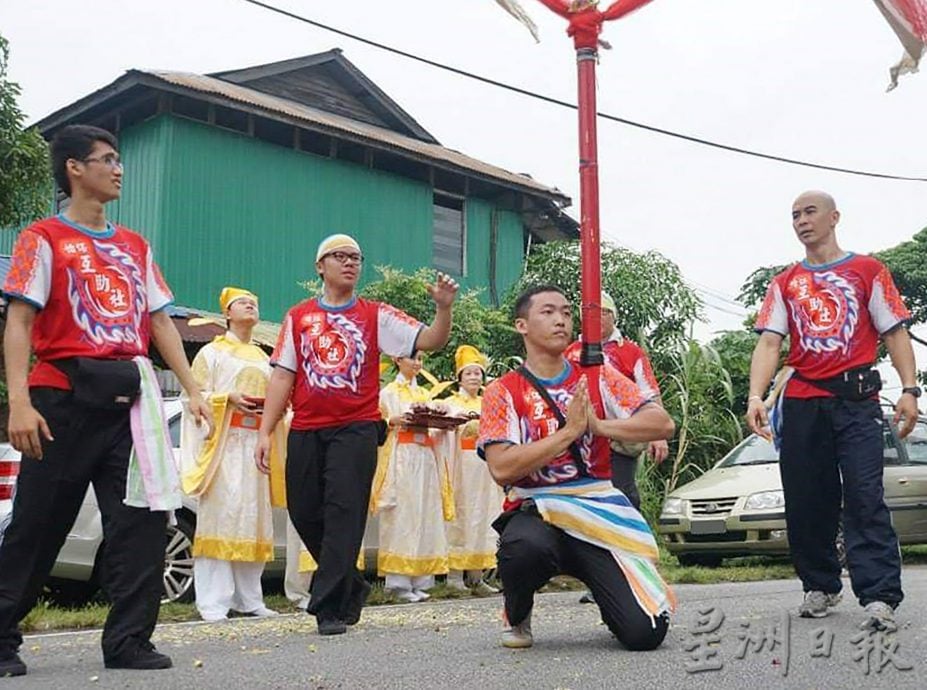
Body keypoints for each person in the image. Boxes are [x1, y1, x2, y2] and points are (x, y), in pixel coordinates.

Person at [0, 125, 212, 677]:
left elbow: (159, 320)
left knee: (140, 520)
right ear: (74, 168)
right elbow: (19, 320)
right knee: (39, 520)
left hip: (131, 398)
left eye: (118, 160)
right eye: (107, 160)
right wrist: (19, 403)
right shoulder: (43, 238)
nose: (118, 169)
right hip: (62, 395)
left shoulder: (134, 245)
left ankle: (128, 641)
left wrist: (191, 389)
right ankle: (0, 636)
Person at [254, 233, 457, 635]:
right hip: (307, 428)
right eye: (340, 256)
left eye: (356, 257)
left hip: (357, 428)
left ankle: (328, 607)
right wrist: (265, 430)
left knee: (344, 513)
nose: (350, 263)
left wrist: (443, 309)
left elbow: (431, 340)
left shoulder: (375, 314)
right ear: (320, 266)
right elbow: (282, 375)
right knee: (304, 511)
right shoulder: (299, 317)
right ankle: (350, 585)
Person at [746, 190, 919, 633]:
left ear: (834, 217)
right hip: (803, 401)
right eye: (794, 215)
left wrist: (910, 390)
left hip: (857, 401)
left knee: (864, 495)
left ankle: (879, 595)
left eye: (810, 212)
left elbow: (895, 333)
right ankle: (820, 584)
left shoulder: (866, 270)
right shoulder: (785, 282)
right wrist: (755, 396)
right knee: (807, 496)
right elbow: (769, 341)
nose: (802, 221)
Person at [478, 285, 675, 650]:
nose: (561, 320)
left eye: (567, 313)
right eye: (549, 312)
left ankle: (610, 597)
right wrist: (568, 433)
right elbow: (502, 468)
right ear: (522, 325)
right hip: (537, 510)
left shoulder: (598, 378)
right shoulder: (503, 391)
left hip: (597, 512)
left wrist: (601, 427)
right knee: (523, 548)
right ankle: (517, 611)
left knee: (645, 635)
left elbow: (661, 424)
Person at [180, 287, 285, 622]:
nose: (251, 305)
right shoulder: (211, 353)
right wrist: (227, 398)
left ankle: (249, 597)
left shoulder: (265, 357)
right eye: (243, 302)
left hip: (255, 443)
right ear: (227, 312)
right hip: (224, 444)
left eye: (254, 301)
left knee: (253, 518)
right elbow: (191, 398)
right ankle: (213, 601)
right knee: (221, 518)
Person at [565, 291, 668, 510]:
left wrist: (657, 436)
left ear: (614, 316)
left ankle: (630, 540)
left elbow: (650, 392)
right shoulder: (570, 352)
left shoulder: (631, 352)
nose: (598, 318)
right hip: (580, 437)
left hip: (619, 436)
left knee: (622, 493)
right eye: (593, 314)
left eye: (604, 313)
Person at [373, 352, 453, 602]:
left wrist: (441, 414)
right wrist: (391, 420)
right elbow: (377, 423)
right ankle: (398, 581)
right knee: (403, 515)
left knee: (424, 513)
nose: (418, 363)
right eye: (412, 358)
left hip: (425, 456)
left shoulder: (424, 394)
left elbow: (434, 424)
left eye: (420, 359)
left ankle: (420, 579)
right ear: (398, 360)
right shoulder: (389, 392)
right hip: (402, 456)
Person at [443, 345, 503, 594]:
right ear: (459, 377)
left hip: (483, 466)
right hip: (460, 465)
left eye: (477, 373)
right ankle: (454, 577)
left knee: (483, 516)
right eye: (469, 373)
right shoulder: (448, 403)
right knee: (461, 516)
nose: (474, 377)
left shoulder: (488, 402)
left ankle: (477, 577)